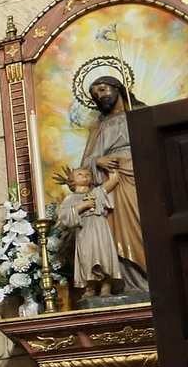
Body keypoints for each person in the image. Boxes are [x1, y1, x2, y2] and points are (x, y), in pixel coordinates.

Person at [78, 75, 146, 292]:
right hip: (111, 182)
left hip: (140, 176)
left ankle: (152, 279)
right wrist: (99, 160)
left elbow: (153, 143)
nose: (100, 95)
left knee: (143, 227)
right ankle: (130, 284)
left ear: (117, 87)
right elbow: (85, 164)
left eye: (103, 89)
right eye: (95, 93)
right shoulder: (99, 127)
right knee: (116, 233)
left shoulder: (140, 114)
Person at [56, 166, 121, 298]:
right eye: (80, 174)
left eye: (87, 174)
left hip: (101, 227)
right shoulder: (71, 198)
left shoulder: (97, 192)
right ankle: (90, 287)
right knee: (87, 257)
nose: (85, 176)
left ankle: (106, 287)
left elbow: (114, 180)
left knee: (105, 255)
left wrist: (110, 164)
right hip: (84, 230)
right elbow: (64, 216)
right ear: (72, 181)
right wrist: (83, 205)